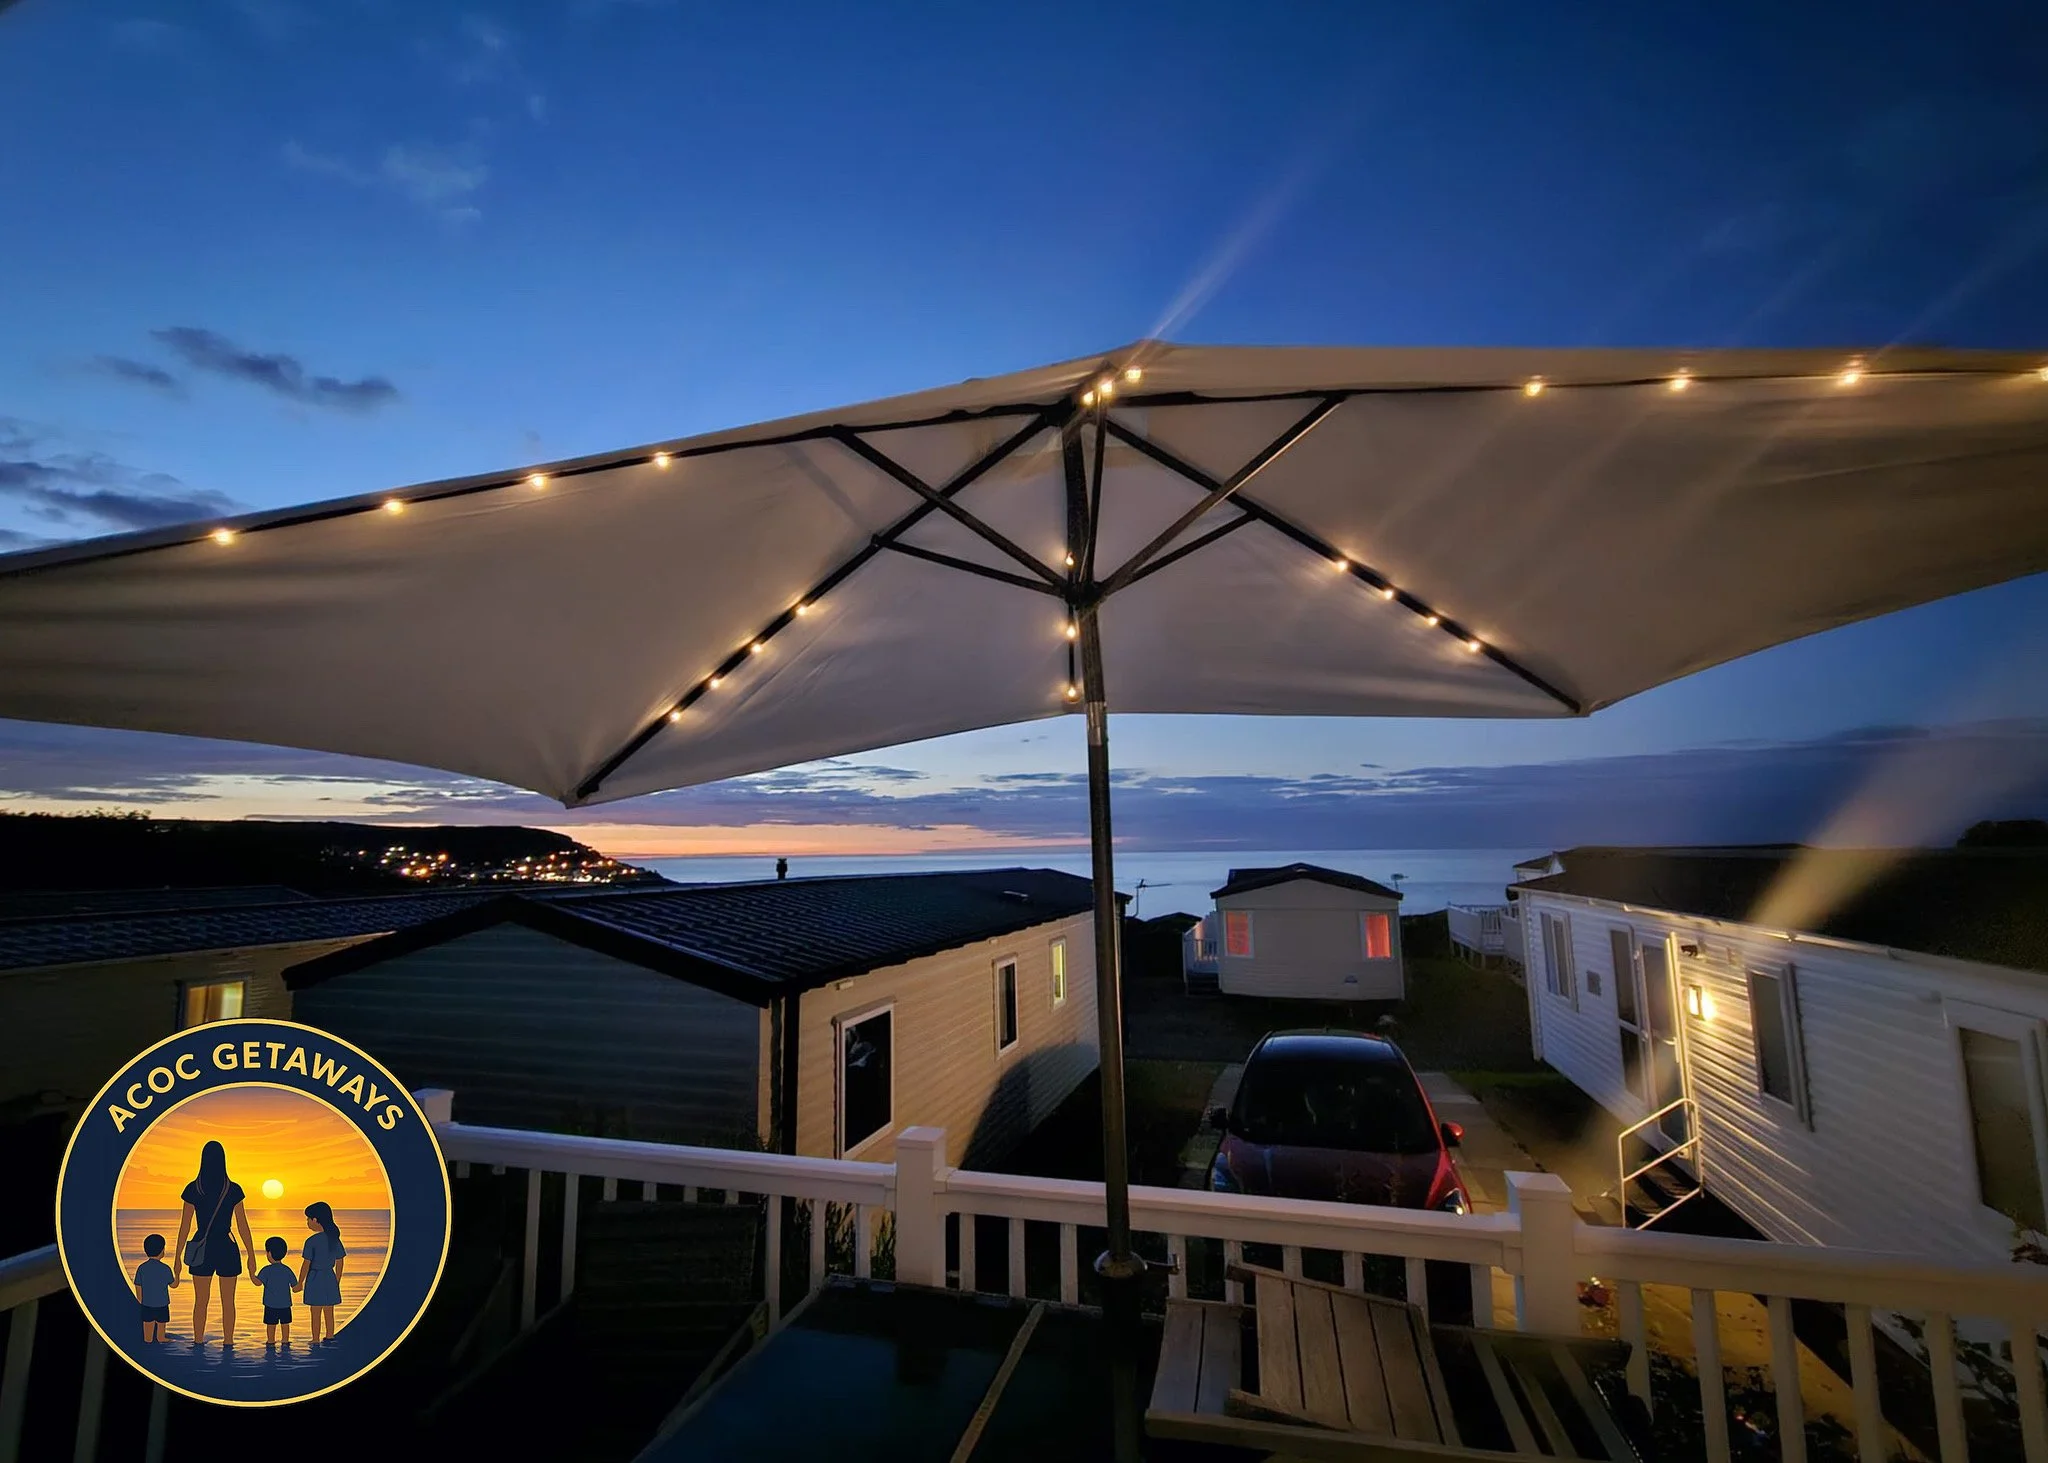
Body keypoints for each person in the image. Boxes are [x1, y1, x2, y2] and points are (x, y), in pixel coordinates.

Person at [171, 1139, 256, 1345]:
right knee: (228, 1302)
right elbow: (242, 1226)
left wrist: (177, 1257)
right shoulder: (233, 1189)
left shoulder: (194, 1189)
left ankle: (198, 1342)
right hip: (227, 1247)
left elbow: (184, 1227)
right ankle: (228, 1343)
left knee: (201, 1301)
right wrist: (251, 1255)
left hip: (202, 1247)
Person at [298, 1202, 346, 1343]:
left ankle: (315, 1339)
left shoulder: (311, 1241)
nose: (307, 1222)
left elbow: (306, 1264)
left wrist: (300, 1282)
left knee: (315, 1311)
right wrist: (337, 1280)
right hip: (329, 1277)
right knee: (329, 1310)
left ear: (315, 1220)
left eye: (308, 1219)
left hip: (315, 1278)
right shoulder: (334, 1239)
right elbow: (340, 1261)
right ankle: (330, 1335)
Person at [255, 1236, 299, 1346]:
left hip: (270, 1305)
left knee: (271, 1325)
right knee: (285, 1324)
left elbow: (258, 1282)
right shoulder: (287, 1270)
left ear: (269, 1253)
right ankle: (285, 1341)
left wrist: (251, 1274)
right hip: (285, 1304)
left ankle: (271, 1341)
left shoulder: (266, 1270)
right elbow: (295, 1287)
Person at [134, 1233, 177, 1343]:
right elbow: (173, 1285)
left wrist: (141, 1301)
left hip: (147, 1305)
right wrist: (177, 1274)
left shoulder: (142, 1268)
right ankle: (161, 1338)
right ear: (162, 1250)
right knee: (161, 1333)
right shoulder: (165, 1268)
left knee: (147, 1336)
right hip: (162, 1304)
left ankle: (148, 1341)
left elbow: (138, 1286)